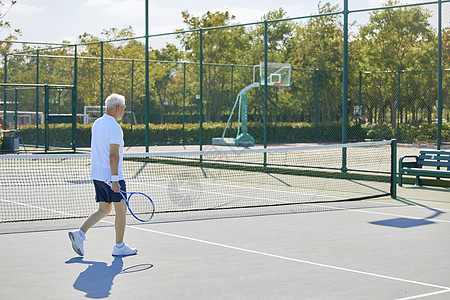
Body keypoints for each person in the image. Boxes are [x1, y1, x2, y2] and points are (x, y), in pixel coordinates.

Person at [69, 93, 137, 257]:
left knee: (104, 209)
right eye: (124, 109)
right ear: (118, 108)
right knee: (121, 209)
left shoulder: (97, 124)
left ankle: (80, 233)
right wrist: (115, 180)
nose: (124, 112)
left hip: (97, 175)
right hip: (112, 177)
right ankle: (119, 246)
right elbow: (113, 155)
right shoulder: (114, 127)